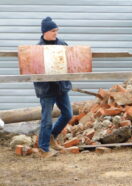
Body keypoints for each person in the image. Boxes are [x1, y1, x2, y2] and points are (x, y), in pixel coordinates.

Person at [34, 17, 73, 157]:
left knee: (68, 114)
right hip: (46, 88)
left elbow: (70, 63)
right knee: (47, 119)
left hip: (61, 86)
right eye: (53, 31)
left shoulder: (62, 44)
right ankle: (43, 149)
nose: (56, 33)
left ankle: (52, 137)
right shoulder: (37, 49)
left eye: (56, 30)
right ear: (45, 32)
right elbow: (34, 70)